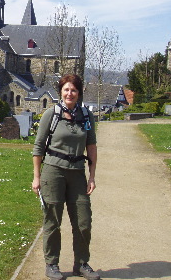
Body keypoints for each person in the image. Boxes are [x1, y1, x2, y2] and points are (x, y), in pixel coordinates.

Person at [32, 74, 100, 280]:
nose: (70, 93)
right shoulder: (50, 115)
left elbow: (91, 147)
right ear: (61, 92)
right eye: (66, 90)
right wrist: (36, 177)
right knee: (53, 220)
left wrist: (92, 176)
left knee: (83, 221)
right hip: (53, 171)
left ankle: (81, 264)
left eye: (74, 90)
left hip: (78, 173)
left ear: (79, 94)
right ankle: (51, 264)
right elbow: (38, 147)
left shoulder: (87, 116)